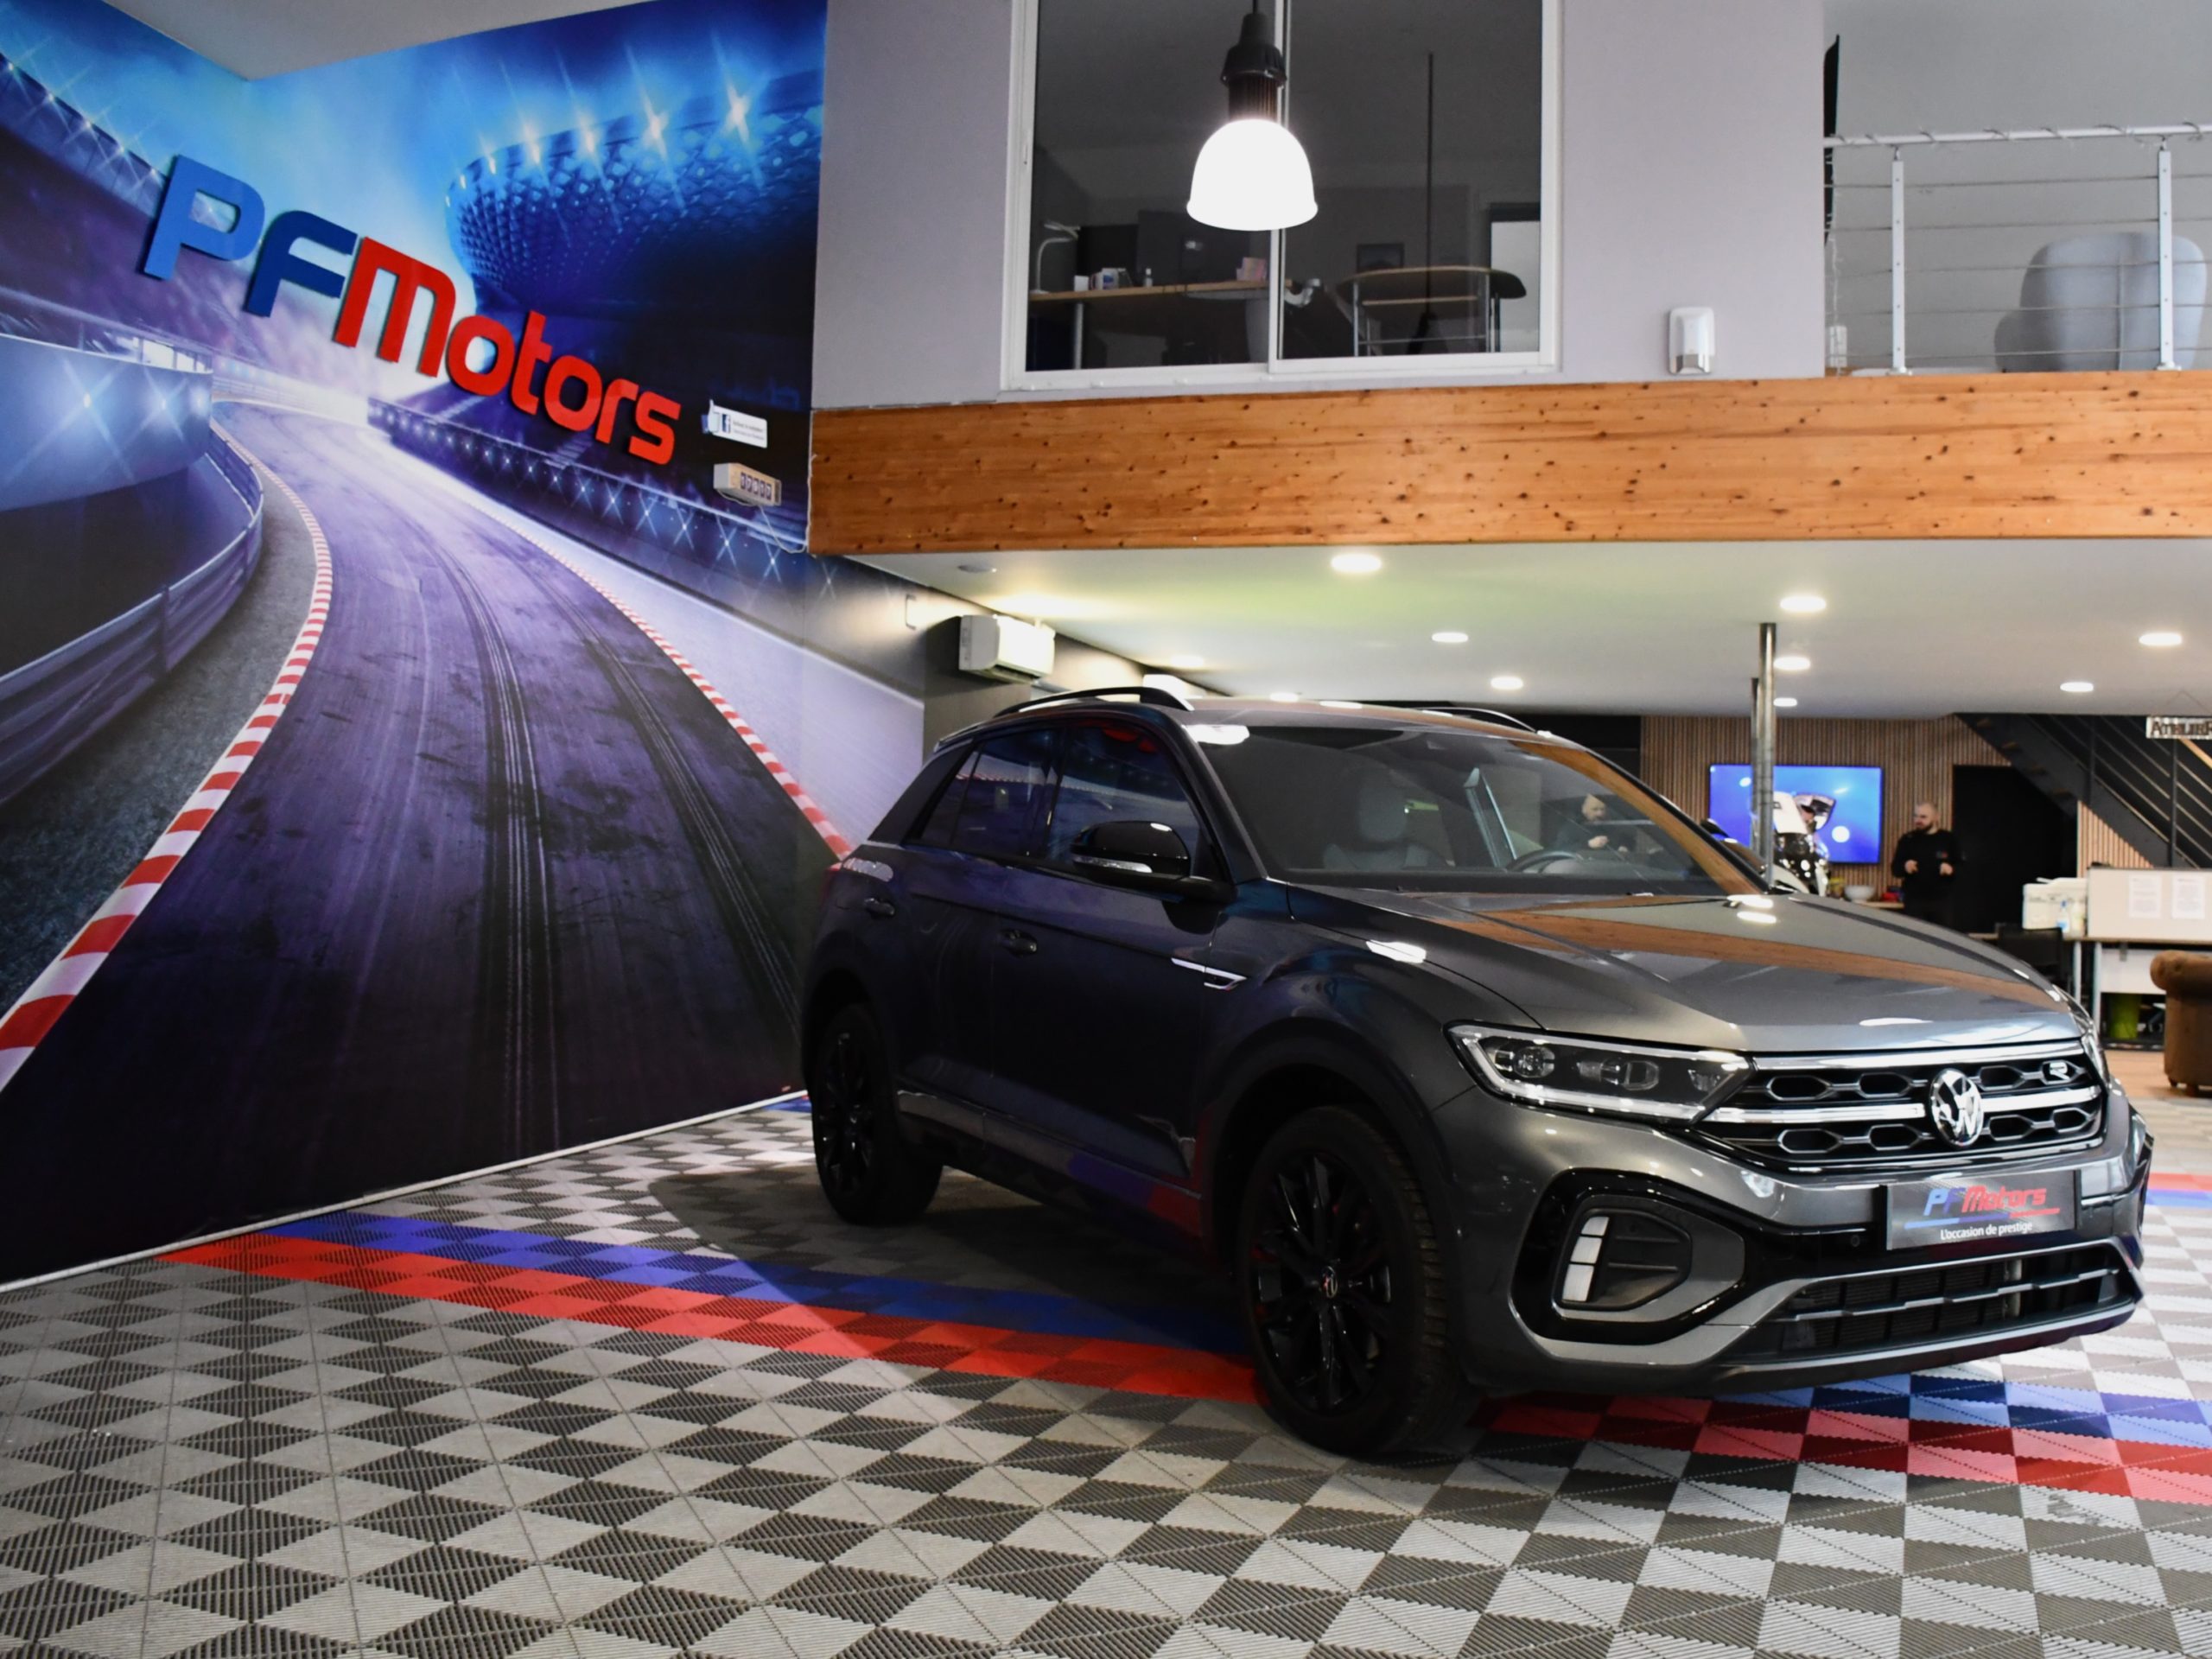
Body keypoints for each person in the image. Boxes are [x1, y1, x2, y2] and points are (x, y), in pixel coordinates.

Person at [1890, 801, 1962, 927]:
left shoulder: (1949, 839)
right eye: (1915, 816)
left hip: (1941, 901)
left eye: (1923, 817)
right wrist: (1905, 866)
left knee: (1941, 936)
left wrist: (1951, 869)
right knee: (1915, 936)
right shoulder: (1908, 839)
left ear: (1936, 817)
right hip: (1914, 901)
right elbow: (1895, 869)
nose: (1918, 820)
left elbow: (1963, 867)